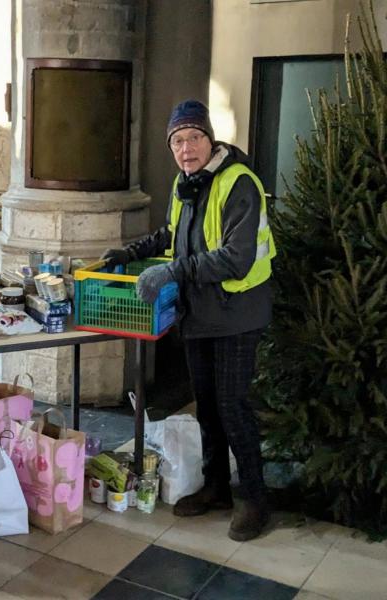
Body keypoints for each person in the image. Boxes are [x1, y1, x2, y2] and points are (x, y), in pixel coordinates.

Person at [101, 99, 276, 541]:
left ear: (209, 140)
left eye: (194, 137)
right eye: (177, 141)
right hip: (199, 314)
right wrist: (131, 252)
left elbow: (236, 258)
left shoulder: (238, 182)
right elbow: (172, 234)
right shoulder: (187, 183)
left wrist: (172, 272)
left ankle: (254, 499)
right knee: (208, 407)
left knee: (233, 406)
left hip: (236, 313)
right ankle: (216, 487)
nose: (186, 148)